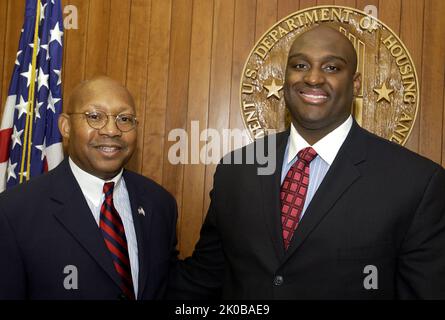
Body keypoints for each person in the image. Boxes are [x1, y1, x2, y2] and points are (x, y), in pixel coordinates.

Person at [169, 25, 445, 299]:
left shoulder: (417, 183)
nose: (312, 78)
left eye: (332, 68)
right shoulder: (236, 170)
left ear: (356, 83)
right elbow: (204, 278)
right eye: (300, 65)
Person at [0, 76, 178, 300]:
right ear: (65, 126)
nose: (112, 131)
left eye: (124, 119)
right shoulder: (14, 212)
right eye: (95, 117)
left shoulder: (160, 204)